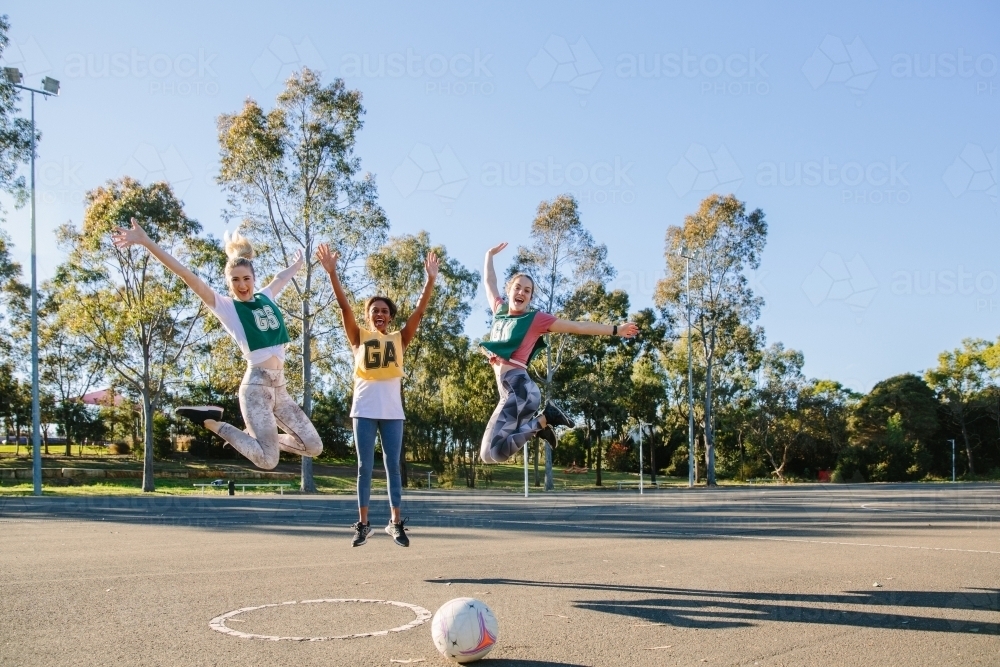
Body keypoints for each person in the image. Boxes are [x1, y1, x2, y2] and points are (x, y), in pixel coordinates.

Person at [111, 219, 322, 470]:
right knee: (268, 460)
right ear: (228, 282)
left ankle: (253, 438)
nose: (242, 285)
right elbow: (185, 274)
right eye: (235, 280)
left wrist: (298, 265)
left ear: (254, 278)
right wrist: (146, 242)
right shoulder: (226, 307)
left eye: (246, 278)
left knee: (313, 447)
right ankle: (213, 422)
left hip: (281, 389)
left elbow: (281, 276)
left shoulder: (266, 296)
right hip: (256, 388)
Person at [317, 242, 438, 548]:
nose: (380, 314)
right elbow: (345, 307)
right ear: (368, 316)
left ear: (390, 317)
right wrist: (332, 273)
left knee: (392, 466)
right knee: (363, 467)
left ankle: (395, 523)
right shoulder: (359, 337)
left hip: (393, 412)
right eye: (375, 311)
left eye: (384, 311)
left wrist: (430, 280)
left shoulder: (400, 339)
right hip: (364, 409)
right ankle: (363, 524)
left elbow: (420, 311)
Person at [479, 241, 638, 464]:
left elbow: (578, 327)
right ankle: (542, 423)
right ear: (509, 291)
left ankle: (545, 419)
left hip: (520, 390)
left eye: (527, 291)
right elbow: (489, 282)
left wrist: (615, 330)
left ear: (530, 297)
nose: (522, 293)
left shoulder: (535, 319)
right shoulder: (499, 311)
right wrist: (489, 255)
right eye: (518, 288)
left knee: (489, 455)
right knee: (491, 454)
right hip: (515, 393)